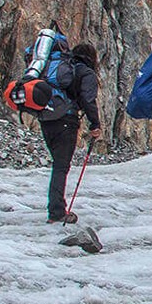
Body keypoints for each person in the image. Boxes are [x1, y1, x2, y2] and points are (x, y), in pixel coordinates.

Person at [42, 44, 103, 224]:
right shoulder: (86, 73)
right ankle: (57, 212)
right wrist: (95, 124)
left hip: (46, 120)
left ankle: (56, 207)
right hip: (66, 121)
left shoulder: (61, 68)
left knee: (57, 165)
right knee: (61, 167)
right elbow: (88, 99)